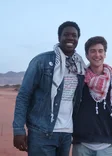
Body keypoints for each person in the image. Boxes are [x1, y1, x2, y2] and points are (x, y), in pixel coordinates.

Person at [12, 21, 86, 156]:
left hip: (66, 133)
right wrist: (18, 129)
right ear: (59, 38)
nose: (70, 38)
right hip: (41, 132)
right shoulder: (41, 61)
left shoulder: (80, 67)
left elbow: (93, 80)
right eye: (66, 34)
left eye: (74, 35)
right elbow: (24, 95)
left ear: (78, 39)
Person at [72, 36, 112, 156]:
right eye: (92, 51)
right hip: (81, 146)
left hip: (106, 147)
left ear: (105, 54)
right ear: (87, 55)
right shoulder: (79, 79)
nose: (97, 55)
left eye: (100, 51)